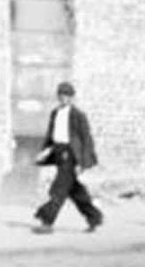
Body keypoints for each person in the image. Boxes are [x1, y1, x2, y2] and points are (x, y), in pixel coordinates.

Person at [33, 81, 103, 234]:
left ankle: (47, 221)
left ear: (72, 98)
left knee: (58, 189)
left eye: (67, 95)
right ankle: (94, 217)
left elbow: (86, 139)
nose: (64, 98)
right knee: (74, 190)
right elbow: (51, 135)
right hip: (58, 152)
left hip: (70, 155)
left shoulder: (78, 115)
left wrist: (82, 163)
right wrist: (45, 151)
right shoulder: (55, 113)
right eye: (61, 95)